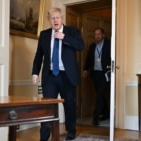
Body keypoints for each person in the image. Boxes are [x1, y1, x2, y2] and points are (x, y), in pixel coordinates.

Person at [31, 7, 84, 141]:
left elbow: (80, 45)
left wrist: (64, 37)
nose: (55, 20)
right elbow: (39, 55)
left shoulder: (72, 31)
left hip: (67, 75)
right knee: (47, 106)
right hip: (50, 76)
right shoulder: (44, 34)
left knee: (69, 104)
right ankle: (44, 136)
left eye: (57, 17)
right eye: (52, 18)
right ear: (49, 20)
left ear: (62, 18)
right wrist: (35, 73)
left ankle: (71, 130)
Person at [83, 27, 111, 126]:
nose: (97, 36)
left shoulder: (109, 44)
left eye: (99, 34)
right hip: (95, 74)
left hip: (104, 74)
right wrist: (86, 69)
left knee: (99, 96)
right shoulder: (92, 46)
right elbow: (88, 59)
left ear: (103, 35)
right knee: (101, 95)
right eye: (95, 34)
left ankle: (95, 118)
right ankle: (107, 114)